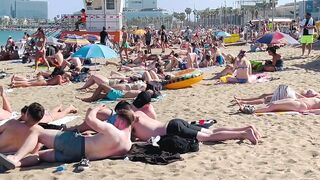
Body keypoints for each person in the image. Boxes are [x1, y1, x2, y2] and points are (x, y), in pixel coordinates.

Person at [0, 106, 135, 169]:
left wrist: (94, 109)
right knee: (39, 155)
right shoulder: (127, 145)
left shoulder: (113, 131)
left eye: (116, 119)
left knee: (37, 132)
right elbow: (103, 146)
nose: (114, 122)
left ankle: (15, 158)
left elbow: (90, 119)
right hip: (78, 156)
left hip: (75, 144)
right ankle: (17, 164)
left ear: (123, 121)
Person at [115, 101, 260, 144]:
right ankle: (247, 128)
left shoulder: (130, 125)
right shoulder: (139, 113)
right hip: (173, 122)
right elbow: (150, 109)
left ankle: (244, 133)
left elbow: (126, 140)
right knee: (211, 132)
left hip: (173, 130)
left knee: (208, 137)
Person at [234, 85, 320, 105]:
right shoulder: (317, 93)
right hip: (292, 92)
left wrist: (299, 95)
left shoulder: (317, 97)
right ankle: (242, 99)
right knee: (265, 95)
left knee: (266, 99)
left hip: (292, 96)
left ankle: (243, 102)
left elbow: (306, 100)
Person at [237, 97, 320, 115]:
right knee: (273, 103)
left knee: (273, 105)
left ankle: (250, 110)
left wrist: (309, 111)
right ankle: (251, 107)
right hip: (299, 101)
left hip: (302, 105)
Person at [76, 83, 142, 102]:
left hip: (118, 95)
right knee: (99, 95)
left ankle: (90, 99)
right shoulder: (140, 92)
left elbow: (133, 99)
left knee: (102, 85)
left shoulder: (140, 93)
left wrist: (119, 99)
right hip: (117, 94)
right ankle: (85, 99)